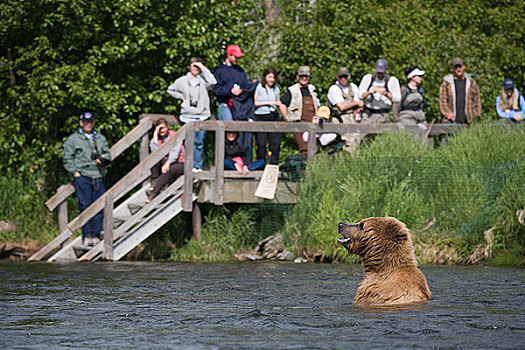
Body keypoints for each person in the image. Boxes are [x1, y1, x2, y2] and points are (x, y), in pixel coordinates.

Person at [63, 112, 111, 247]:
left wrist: (103, 158)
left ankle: (96, 234)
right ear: (81, 123)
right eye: (86, 122)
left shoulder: (100, 138)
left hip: (98, 175)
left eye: (90, 122)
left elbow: (108, 154)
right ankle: (87, 235)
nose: (88, 124)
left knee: (99, 206)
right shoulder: (73, 139)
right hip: (83, 176)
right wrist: (75, 172)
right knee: (85, 206)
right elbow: (67, 158)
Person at [167, 57, 216, 172]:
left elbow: (213, 82)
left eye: (197, 66)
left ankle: (197, 166)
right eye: (193, 65)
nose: (195, 68)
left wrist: (203, 67)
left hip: (202, 115)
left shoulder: (204, 80)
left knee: (199, 143)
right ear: (189, 67)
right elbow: (170, 90)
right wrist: (181, 97)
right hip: (187, 115)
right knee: (189, 142)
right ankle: (189, 166)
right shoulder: (182, 80)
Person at [213, 44, 254, 165]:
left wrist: (248, 87)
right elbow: (216, 90)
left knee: (241, 135)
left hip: (240, 107)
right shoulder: (219, 70)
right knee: (229, 130)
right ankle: (226, 162)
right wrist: (230, 90)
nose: (237, 59)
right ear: (228, 55)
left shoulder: (240, 71)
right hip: (225, 105)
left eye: (238, 57)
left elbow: (246, 86)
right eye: (235, 56)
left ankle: (242, 162)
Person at [281, 66, 321, 158]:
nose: (304, 78)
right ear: (297, 77)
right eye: (302, 76)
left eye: (306, 76)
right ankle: (304, 170)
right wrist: (286, 118)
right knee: (304, 149)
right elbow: (282, 104)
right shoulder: (292, 90)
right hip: (299, 124)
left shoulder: (312, 89)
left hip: (313, 124)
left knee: (315, 149)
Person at [146, 118, 184, 203]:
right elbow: (154, 151)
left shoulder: (174, 135)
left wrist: (168, 163)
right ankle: (155, 180)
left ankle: (154, 192)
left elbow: (175, 152)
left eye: (163, 128)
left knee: (169, 170)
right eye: (159, 129)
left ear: (167, 127)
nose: (162, 130)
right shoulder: (158, 137)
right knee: (154, 158)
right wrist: (155, 133)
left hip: (179, 162)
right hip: (165, 162)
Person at [327, 66, 363, 153]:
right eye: (341, 77)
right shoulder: (334, 88)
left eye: (345, 76)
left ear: (349, 76)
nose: (343, 79)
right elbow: (341, 107)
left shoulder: (353, 87)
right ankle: (350, 162)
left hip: (353, 117)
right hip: (340, 118)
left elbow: (360, 103)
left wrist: (350, 104)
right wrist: (355, 103)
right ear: (337, 77)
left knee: (358, 139)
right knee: (349, 140)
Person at [253, 67, 285, 165]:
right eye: (269, 77)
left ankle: (273, 165)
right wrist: (270, 102)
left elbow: (278, 102)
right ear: (265, 77)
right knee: (261, 143)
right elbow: (256, 102)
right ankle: (260, 165)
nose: (271, 79)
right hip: (261, 116)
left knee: (275, 143)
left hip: (273, 115)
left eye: (273, 77)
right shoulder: (259, 87)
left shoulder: (276, 89)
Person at [439, 57, 481, 124]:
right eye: (456, 67)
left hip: (469, 120)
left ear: (464, 67)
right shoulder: (446, 83)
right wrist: (447, 114)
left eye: (460, 67)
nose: (458, 69)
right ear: (453, 69)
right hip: (452, 120)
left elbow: (477, 100)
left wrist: (476, 114)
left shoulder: (472, 83)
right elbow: (442, 101)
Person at [358, 58, 401, 123]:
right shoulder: (368, 78)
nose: (380, 74)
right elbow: (360, 95)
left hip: (383, 114)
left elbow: (397, 99)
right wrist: (369, 92)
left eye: (382, 72)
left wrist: (386, 93)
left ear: (386, 69)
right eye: (378, 72)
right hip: (368, 114)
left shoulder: (392, 81)